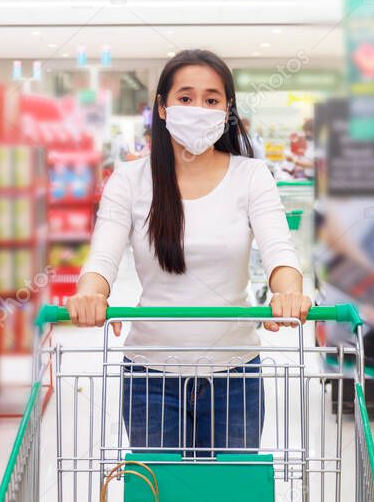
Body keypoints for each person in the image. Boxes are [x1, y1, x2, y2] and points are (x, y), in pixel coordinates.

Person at [67, 49, 310, 454]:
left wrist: (289, 291)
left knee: (230, 494)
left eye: (212, 100)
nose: (199, 108)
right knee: (163, 490)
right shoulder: (130, 180)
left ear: (227, 111)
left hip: (235, 373)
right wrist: (91, 293)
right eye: (185, 97)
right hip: (150, 374)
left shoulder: (251, 176)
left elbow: (279, 252)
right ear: (162, 107)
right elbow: (102, 259)